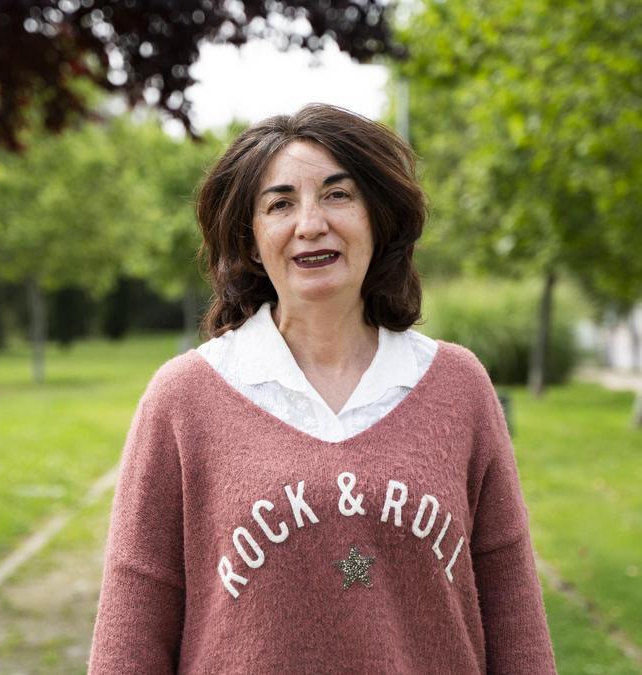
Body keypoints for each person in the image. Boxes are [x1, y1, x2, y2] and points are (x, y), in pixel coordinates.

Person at [88, 104, 557, 673]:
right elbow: (132, 621)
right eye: (280, 204)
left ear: (377, 218)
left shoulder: (458, 385)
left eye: (338, 195)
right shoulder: (184, 397)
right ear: (253, 240)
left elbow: (513, 609)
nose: (310, 223)